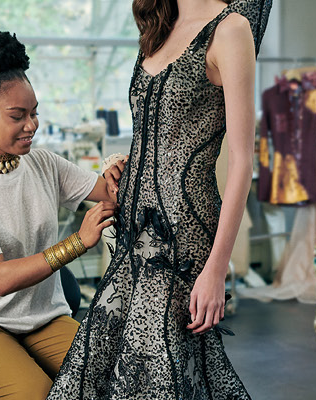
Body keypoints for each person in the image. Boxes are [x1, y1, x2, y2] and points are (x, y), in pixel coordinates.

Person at [50, 0, 270, 398]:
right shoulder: (157, 25)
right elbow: (158, 136)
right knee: (96, 361)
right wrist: (122, 162)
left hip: (184, 230)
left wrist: (217, 269)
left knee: (155, 369)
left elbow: (241, 161)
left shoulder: (231, 28)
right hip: (132, 233)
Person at [0, 32, 127, 400]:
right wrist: (77, 243)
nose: (31, 124)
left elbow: (109, 191)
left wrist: (119, 170)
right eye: (18, 116)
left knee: (114, 380)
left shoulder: (43, 163)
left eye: (34, 113)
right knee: (39, 395)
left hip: (42, 319)